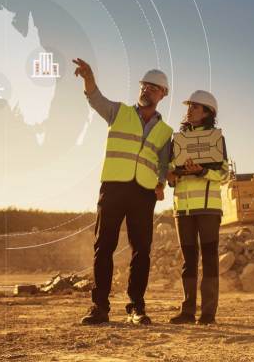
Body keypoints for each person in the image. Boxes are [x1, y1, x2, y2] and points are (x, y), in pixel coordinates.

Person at [73, 58, 173, 326]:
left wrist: (161, 184)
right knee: (103, 247)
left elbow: (163, 163)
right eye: (145, 86)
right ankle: (100, 307)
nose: (147, 90)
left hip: (143, 192)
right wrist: (89, 78)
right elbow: (96, 99)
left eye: (154, 88)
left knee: (142, 250)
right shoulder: (119, 112)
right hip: (114, 187)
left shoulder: (165, 131)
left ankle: (136, 308)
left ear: (163, 94)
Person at [166, 90, 228, 325]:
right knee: (188, 260)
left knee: (210, 258)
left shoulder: (216, 140)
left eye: (195, 106)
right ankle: (187, 312)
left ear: (207, 112)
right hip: (183, 210)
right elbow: (170, 171)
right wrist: (173, 174)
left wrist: (202, 171)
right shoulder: (178, 140)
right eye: (189, 106)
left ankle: (208, 314)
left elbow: (224, 174)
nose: (189, 110)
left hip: (208, 209)